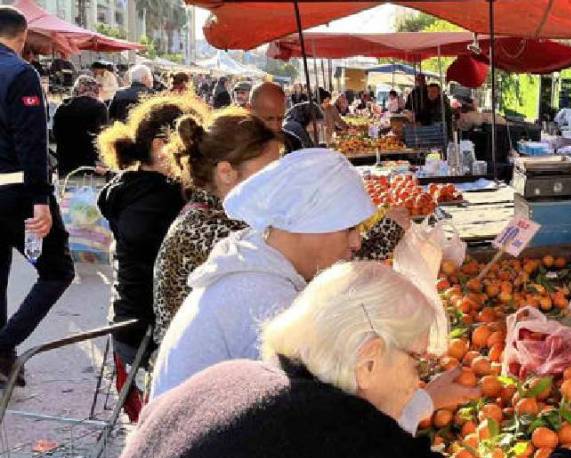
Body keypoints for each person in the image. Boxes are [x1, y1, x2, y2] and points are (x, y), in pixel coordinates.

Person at [82, 261, 571, 458]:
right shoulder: (339, 439)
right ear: (370, 358)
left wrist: (419, 406)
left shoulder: (231, 381)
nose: (418, 377)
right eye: (416, 362)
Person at [149, 148, 373, 398]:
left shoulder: (257, 262)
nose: (357, 242)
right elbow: (312, 408)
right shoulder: (263, 299)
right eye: (348, 228)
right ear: (307, 224)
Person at [96, 94, 209, 420]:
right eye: (167, 141)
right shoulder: (158, 197)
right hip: (146, 333)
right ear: (154, 145)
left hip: (127, 323)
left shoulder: (130, 187)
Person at [152, 109, 282, 344]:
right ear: (226, 172)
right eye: (269, 172)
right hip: (200, 372)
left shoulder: (221, 216)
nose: (279, 181)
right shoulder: (211, 231)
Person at [0, 6, 75, 386]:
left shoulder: (18, 72)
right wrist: (41, 200)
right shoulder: (20, 73)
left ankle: (3, 358)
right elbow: (31, 142)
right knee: (58, 271)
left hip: (10, 188)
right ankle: (3, 346)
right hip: (15, 192)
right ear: (22, 37)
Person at [52, 75, 108, 178]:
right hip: (91, 167)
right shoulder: (99, 107)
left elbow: (55, 134)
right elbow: (103, 137)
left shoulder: (62, 107)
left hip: (66, 166)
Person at [249, 81, 303, 153]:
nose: (275, 127)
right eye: (269, 119)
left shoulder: (293, 143)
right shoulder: (236, 144)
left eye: (280, 119)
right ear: (251, 110)